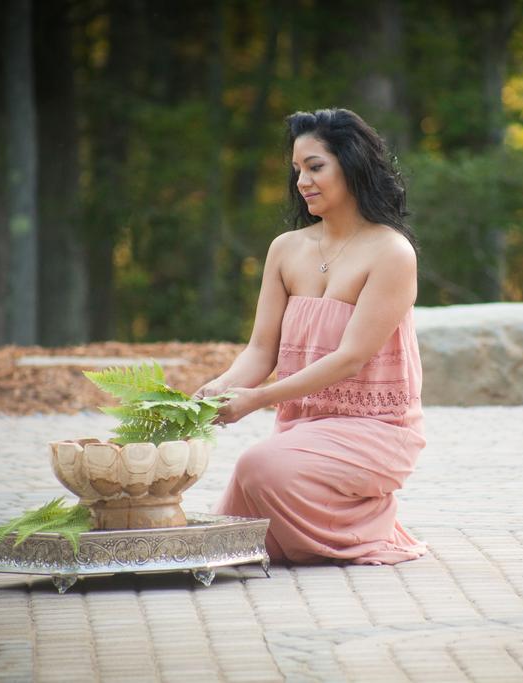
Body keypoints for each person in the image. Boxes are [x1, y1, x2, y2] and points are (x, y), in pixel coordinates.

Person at [193, 108, 427, 566]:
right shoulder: (285, 249)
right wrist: (219, 389)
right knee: (260, 476)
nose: (302, 182)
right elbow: (261, 351)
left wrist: (255, 401)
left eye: (316, 166)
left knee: (258, 467)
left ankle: (367, 521)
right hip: (302, 429)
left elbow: (350, 359)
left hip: (378, 431)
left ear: (352, 164)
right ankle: (343, 514)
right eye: (298, 169)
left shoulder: (391, 252)